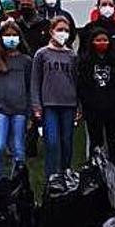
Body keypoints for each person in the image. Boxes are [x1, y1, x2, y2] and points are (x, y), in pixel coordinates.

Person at [0, 20, 33, 182]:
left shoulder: (26, 61)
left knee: (18, 149)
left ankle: (17, 183)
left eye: (14, 35)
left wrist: (30, 113)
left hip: (20, 111)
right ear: (1, 37)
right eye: (7, 35)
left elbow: (30, 87)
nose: (11, 38)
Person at [31, 17, 79, 177]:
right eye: (60, 30)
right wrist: (36, 105)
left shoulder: (72, 55)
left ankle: (66, 173)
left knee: (67, 141)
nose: (63, 33)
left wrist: (79, 105)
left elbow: (76, 81)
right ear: (51, 31)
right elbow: (35, 81)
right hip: (49, 104)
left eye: (66, 30)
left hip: (69, 104)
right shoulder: (42, 54)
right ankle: (51, 177)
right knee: (51, 141)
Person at [77, 28, 115, 166]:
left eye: (105, 40)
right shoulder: (85, 62)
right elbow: (82, 86)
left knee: (113, 139)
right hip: (92, 108)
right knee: (95, 140)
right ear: (92, 42)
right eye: (98, 40)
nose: (101, 43)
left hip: (113, 108)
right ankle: (94, 167)